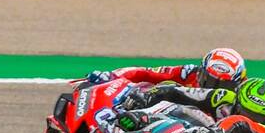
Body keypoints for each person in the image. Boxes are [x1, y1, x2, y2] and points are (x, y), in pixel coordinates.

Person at [116, 76, 265, 131]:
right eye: (246, 112)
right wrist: (147, 97)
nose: (249, 119)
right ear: (236, 102)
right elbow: (173, 90)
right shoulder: (221, 97)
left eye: (257, 116)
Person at [81, 48, 246, 91]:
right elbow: (144, 72)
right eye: (209, 80)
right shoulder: (188, 73)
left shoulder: (242, 99)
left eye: (221, 85)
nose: (213, 88)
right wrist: (112, 75)